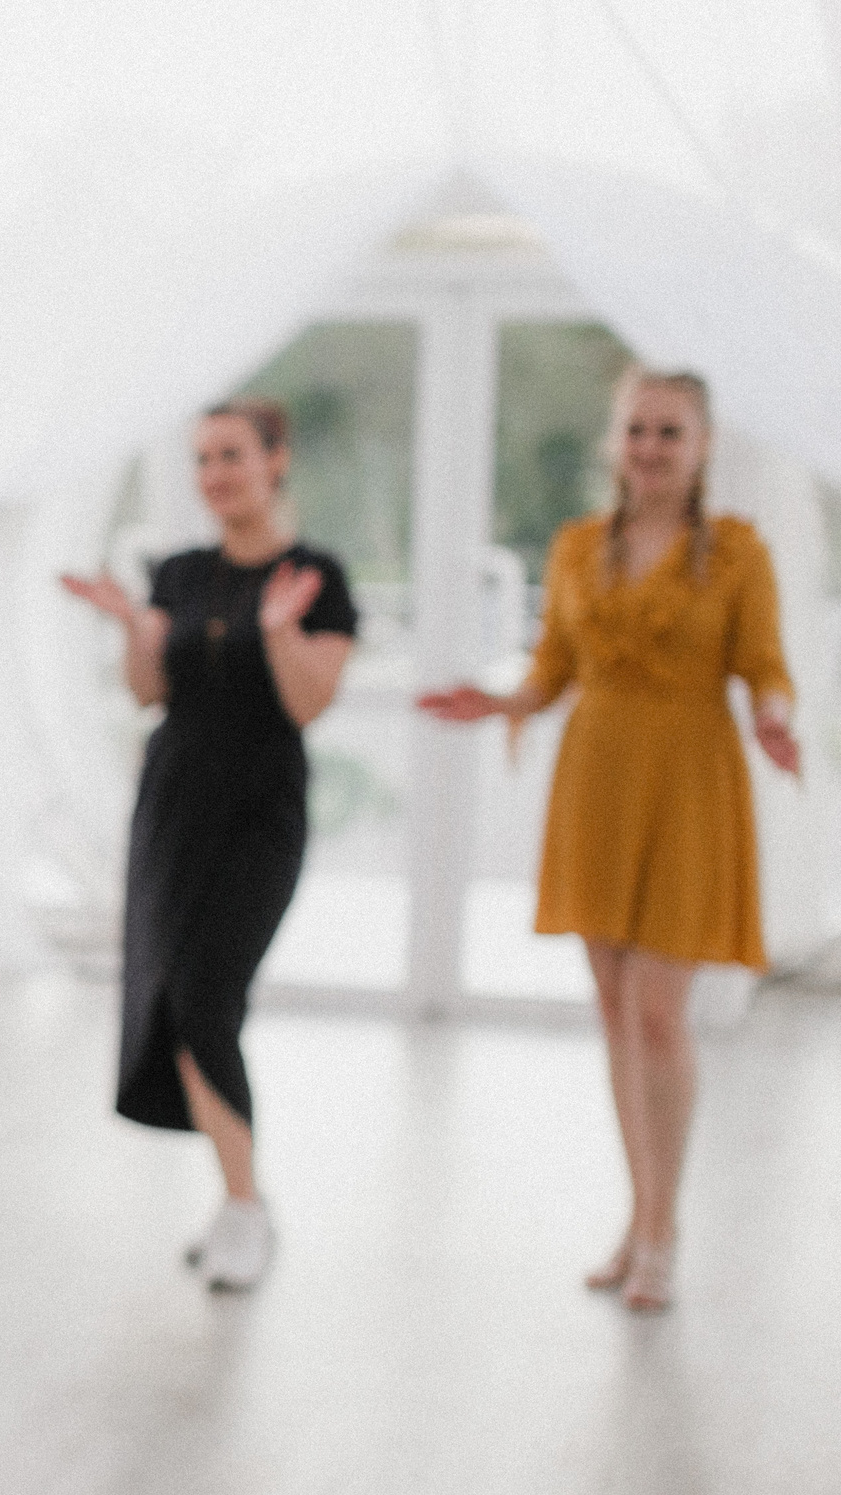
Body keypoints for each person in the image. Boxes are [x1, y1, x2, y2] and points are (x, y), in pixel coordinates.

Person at [418, 367, 797, 1313]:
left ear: (702, 445)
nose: (652, 448)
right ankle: (639, 1214)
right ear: (614, 441)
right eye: (638, 430)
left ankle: (664, 1226)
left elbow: (764, 662)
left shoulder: (739, 553)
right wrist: (500, 699)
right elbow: (555, 667)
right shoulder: (579, 546)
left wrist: (778, 715)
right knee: (615, 1009)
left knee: (661, 1013)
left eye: (670, 432)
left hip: (689, 784)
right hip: (595, 783)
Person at [59, 398, 357, 1291]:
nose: (215, 473)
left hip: (260, 809)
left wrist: (276, 631)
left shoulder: (316, 574)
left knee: (205, 997)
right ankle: (238, 1204)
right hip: (173, 804)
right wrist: (134, 629)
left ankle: (246, 1207)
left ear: (276, 459)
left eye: (231, 455)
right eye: (203, 459)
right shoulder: (180, 571)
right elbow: (152, 691)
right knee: (173, 996)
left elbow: (309, 703)